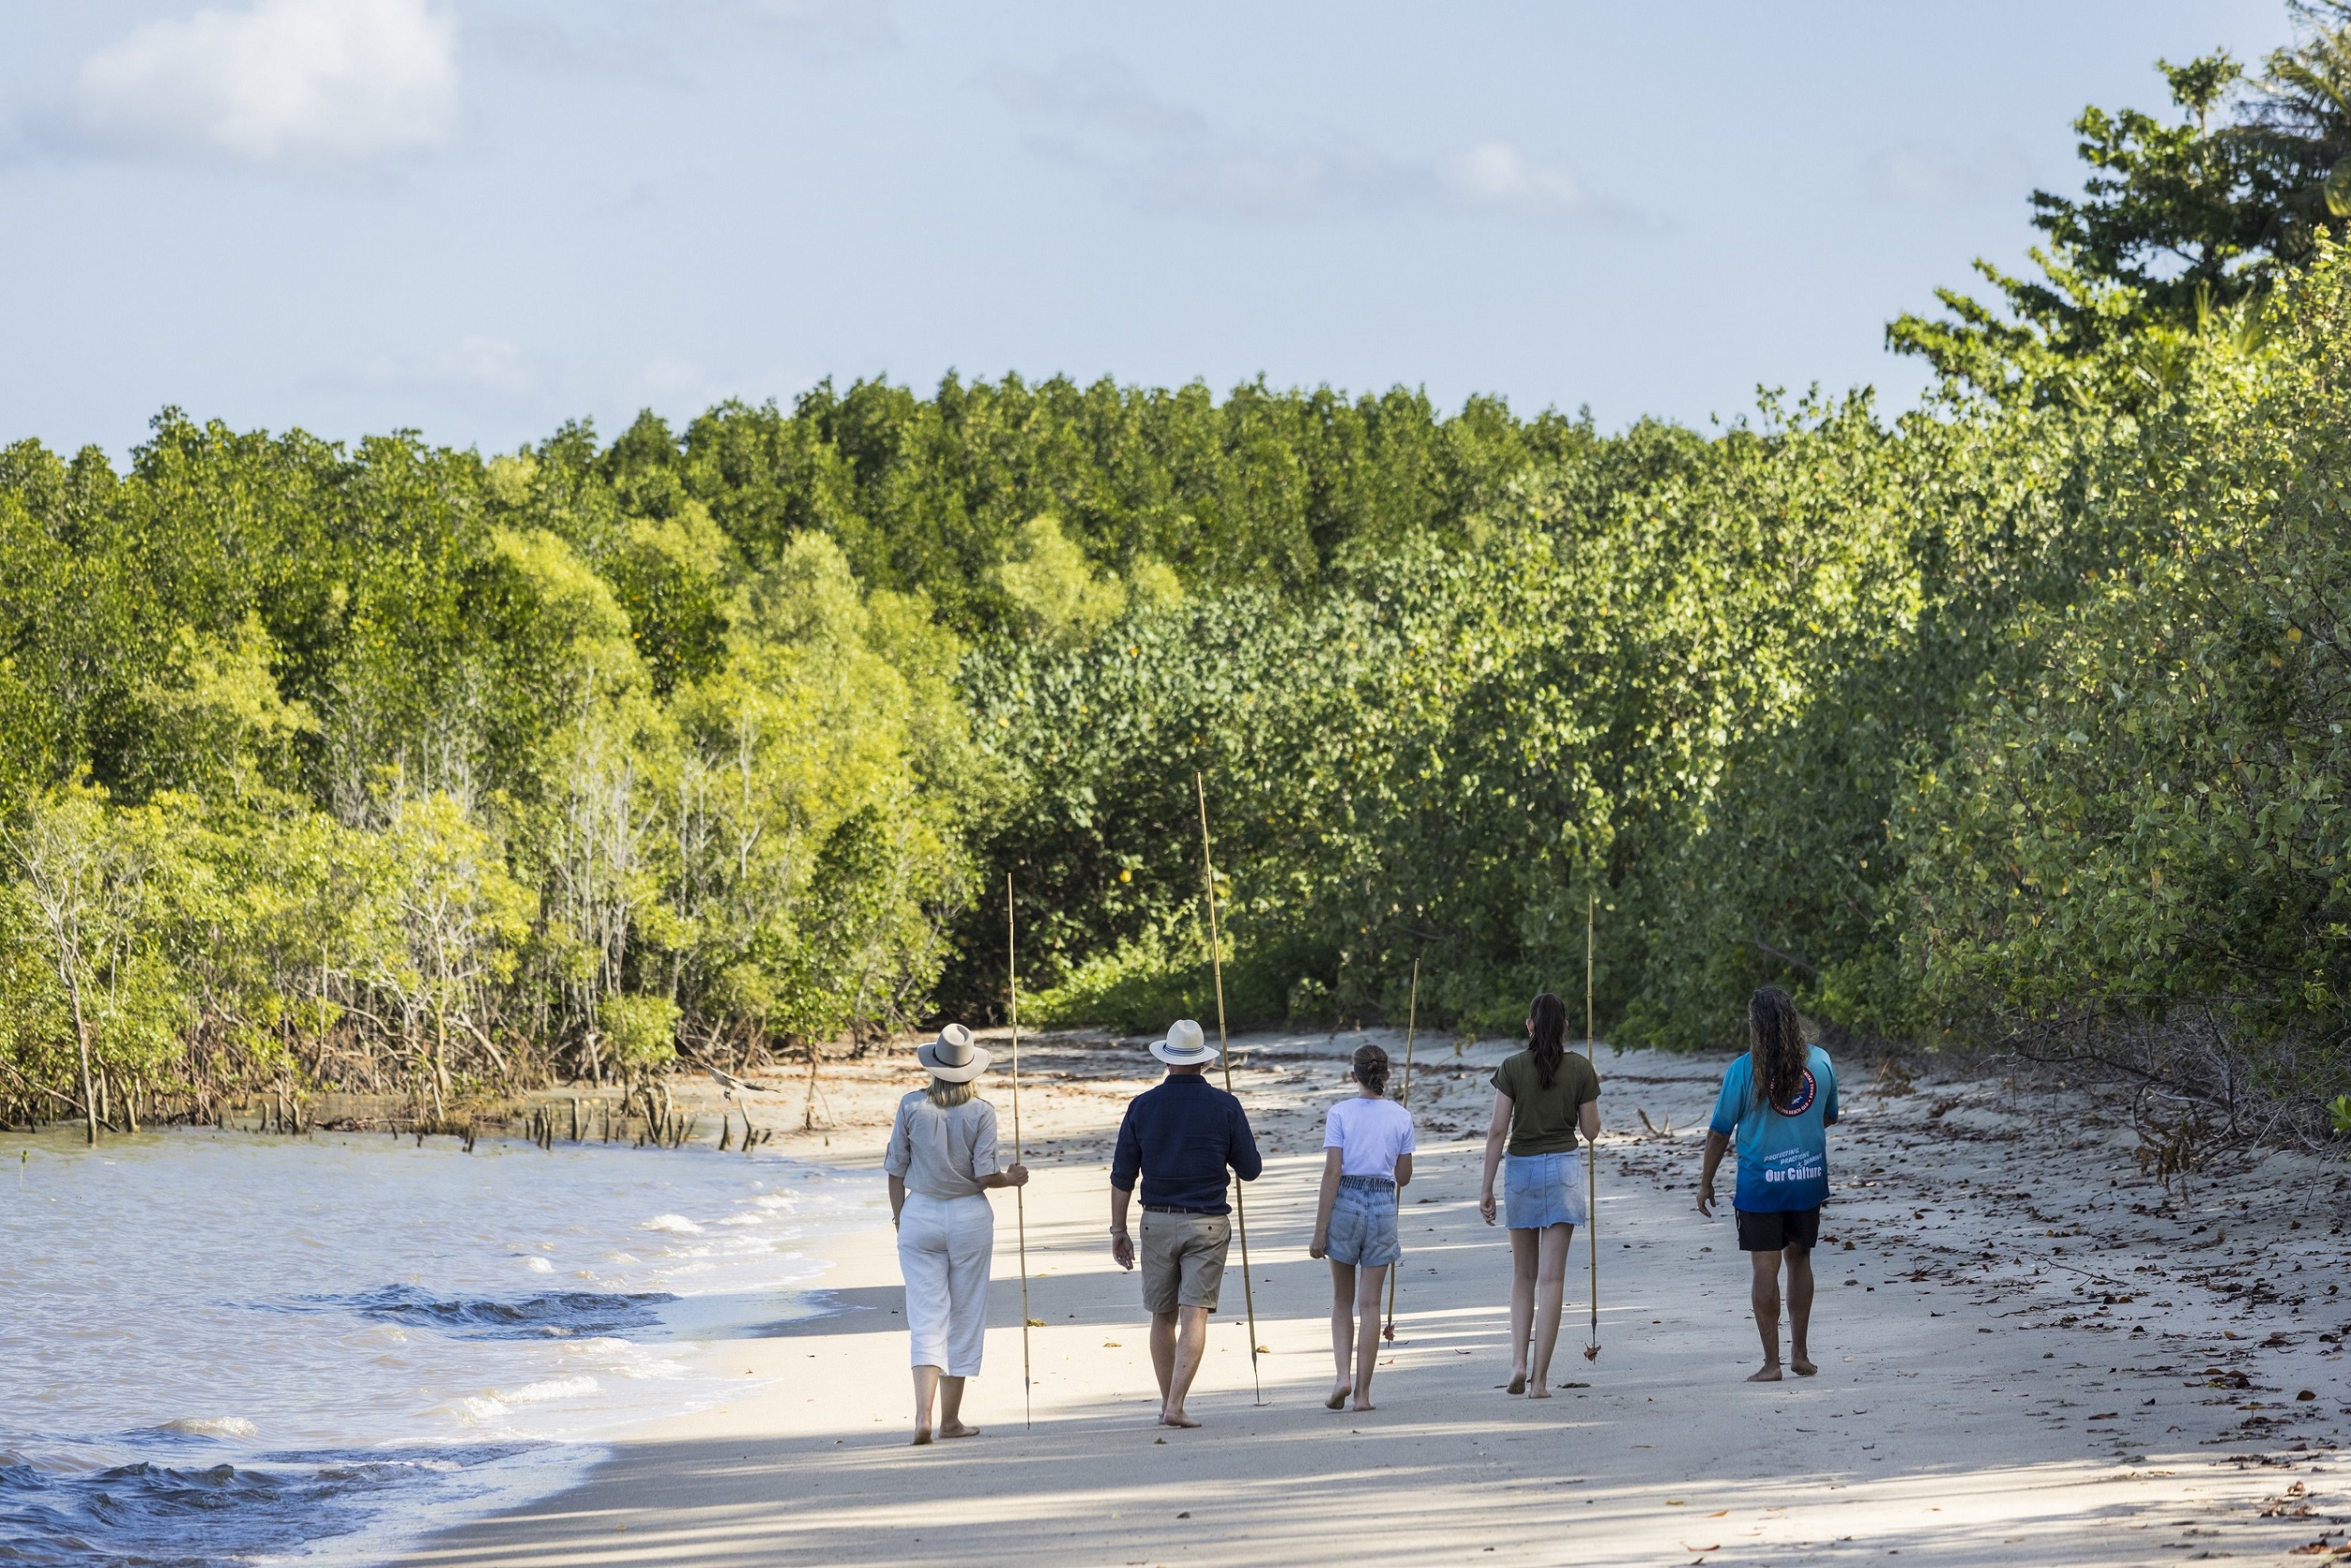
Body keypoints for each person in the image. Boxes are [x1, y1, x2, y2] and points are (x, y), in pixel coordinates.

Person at [1108, 1018, 1263, 1428]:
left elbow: (1123, 1174)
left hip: (1156, 1221)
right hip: (1207, 1223)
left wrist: (1118, 1229)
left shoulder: (1142, 1105)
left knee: (1162, 1315)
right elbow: (1250, 1169)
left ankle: (1168, 1403)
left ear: (1168, 1060)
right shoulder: (1225, 1106)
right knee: (1194, 1313)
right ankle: (1175, 1403)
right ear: (1203, 1063)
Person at [884, 1023, 1029, 1444]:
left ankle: (922, 1417)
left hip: (920, 1213)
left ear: (934, 1067)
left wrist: (900, 1219)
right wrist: (1013, 1178)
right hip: (969, 1217)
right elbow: (985, 1176)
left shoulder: (911, 1106)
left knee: (926, 1317)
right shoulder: (982, 1111)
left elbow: (896, 1172)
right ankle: (950, 1421)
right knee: (964, 1315)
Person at [1696, 985, 1839, 1383]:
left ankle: (1771, 1364)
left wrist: (1705, 1183)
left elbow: (1719, 1132)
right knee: (1800, 1261)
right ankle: (1801, 1354)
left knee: (1765, 1267)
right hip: (1807, 1180)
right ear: (1793, 1019)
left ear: (1755, 1026)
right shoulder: (1822, 1063)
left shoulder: (1744, 1070)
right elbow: (1828, 1116)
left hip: (1761, 1185)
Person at [1478, 991, 1601, 1399]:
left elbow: (1498, 1130)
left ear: (1529, 1025)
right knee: (1552, 1279)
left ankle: (1518, 1361)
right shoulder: (1581, 1067)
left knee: (1523, 1276)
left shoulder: (1512, 1067)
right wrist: (1585, 1089)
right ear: (1565, 1026)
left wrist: (1486, 1187)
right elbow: (1591, 1130)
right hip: (1562, 1168)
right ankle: (1541, 1381)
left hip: (1522, 1170)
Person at [1309, 1042, 1415, 1412]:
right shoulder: (1401, 1117)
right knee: (1370, 1303)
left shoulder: (1339, 1113)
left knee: (1342, 1299)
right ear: (1386, 1076)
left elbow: (1332, 1172)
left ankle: (1342, 1376)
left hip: (1347, 1201)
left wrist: (1320, 1230)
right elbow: (1403, 1177)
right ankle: (1364, 1396)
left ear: (1353, 1075)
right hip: (1383, 1203)